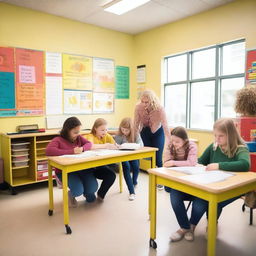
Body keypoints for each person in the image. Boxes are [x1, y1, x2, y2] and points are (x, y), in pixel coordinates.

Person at [169, 118, 250, 242]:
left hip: (224, 189)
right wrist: (196, 165)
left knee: (203, 197)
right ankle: (185, 227)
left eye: (220, 136)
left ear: (231, 135)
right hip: (207, 184)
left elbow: (245, 164)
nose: (216, 139)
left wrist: (218, 165)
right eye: (215, 135)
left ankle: (193, 226)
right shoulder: (214, 146)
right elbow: (201, 161)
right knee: (175, 192)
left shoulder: (240, 149)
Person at [46, 117, 98, 208]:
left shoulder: (78, 138)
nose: (77, 134)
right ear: (67, 131)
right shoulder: (58, 140)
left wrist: (82, 148)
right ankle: (70, 194)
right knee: (78, 191)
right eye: (75, 132)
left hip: (81, 168)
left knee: (92, 193)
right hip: (66, 172)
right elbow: (49, 151)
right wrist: (71, 151)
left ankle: (87, 191)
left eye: (79, 132)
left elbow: (89, 144)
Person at [134, 90, 169, 189]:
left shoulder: (160, 108)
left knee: (158, 158)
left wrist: (170, 141)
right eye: (142, 102)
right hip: (145, 132)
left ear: (152, 101)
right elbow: (135, 124)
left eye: (147, 102)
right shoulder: (138, 107)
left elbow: (165, 125)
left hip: (158, 132)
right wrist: (132, 139)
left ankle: (160, 181)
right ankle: (136, 179)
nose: (144, 104)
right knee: (146, 155)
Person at [86, 118, 117, 201]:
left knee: (112, 175)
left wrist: (116, 146)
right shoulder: (90, 136)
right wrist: (106, 145)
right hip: (90, 168)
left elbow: (115, 145)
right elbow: (90, 146)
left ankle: (100, 195)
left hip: (100, 166)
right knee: (90, 197)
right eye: (102, 130)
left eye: (106, 129)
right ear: (95, 128)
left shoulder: (107, 136)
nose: (105, 132)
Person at [114, 117, 143, 201]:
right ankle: (132, 192)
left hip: (133, 154)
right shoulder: (119, 135)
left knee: (136, 167)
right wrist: (117, 146)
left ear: (131, 129)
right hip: (123, 155)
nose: (124, 132)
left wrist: (135, 146)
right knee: (126, 168)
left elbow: (141, 144)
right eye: (123, 130)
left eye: (127, 130)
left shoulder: (136, 133)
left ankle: (134, 182)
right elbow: (116, 145)